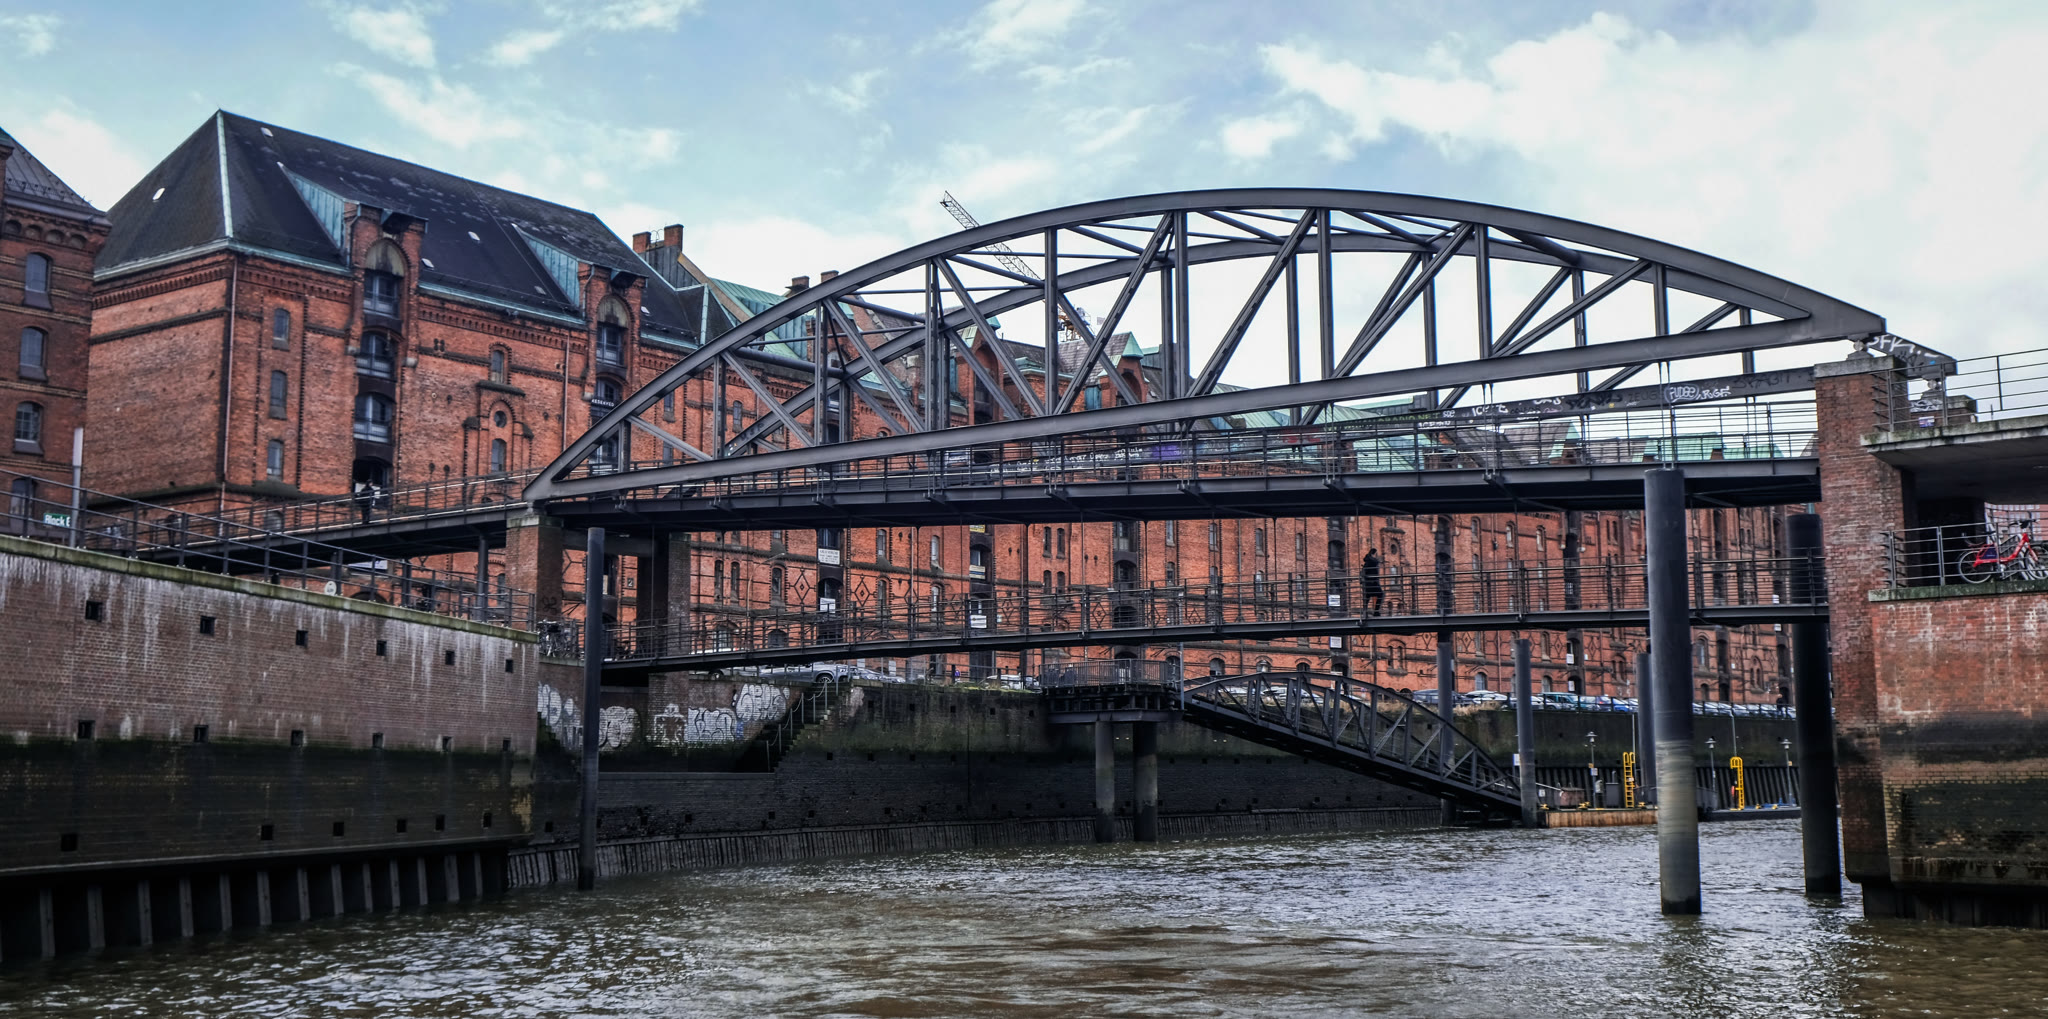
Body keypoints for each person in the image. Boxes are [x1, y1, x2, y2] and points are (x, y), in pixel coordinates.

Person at [1361, 547, 1384, 616]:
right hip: (1372, 582)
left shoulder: (1368, 561)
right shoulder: (1372, 561)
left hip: (1368, 583)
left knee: (1367, 597)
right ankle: (1376, 611)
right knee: (1380, 594)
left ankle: (1365, 612)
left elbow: (1363, 572)